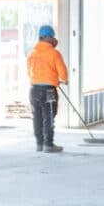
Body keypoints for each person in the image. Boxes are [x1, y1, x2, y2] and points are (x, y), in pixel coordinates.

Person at [27, 25, 68, 153]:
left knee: (37, 117)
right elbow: (63, 72)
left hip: (33, 90)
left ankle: (39, 144)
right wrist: (64, 80)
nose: (54, 39)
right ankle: (48, 145)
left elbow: (29, 72)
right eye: (53, 37)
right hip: (49, 91)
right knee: (49, 116)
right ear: (49, 37)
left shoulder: (32, 53)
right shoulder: (54, 53)